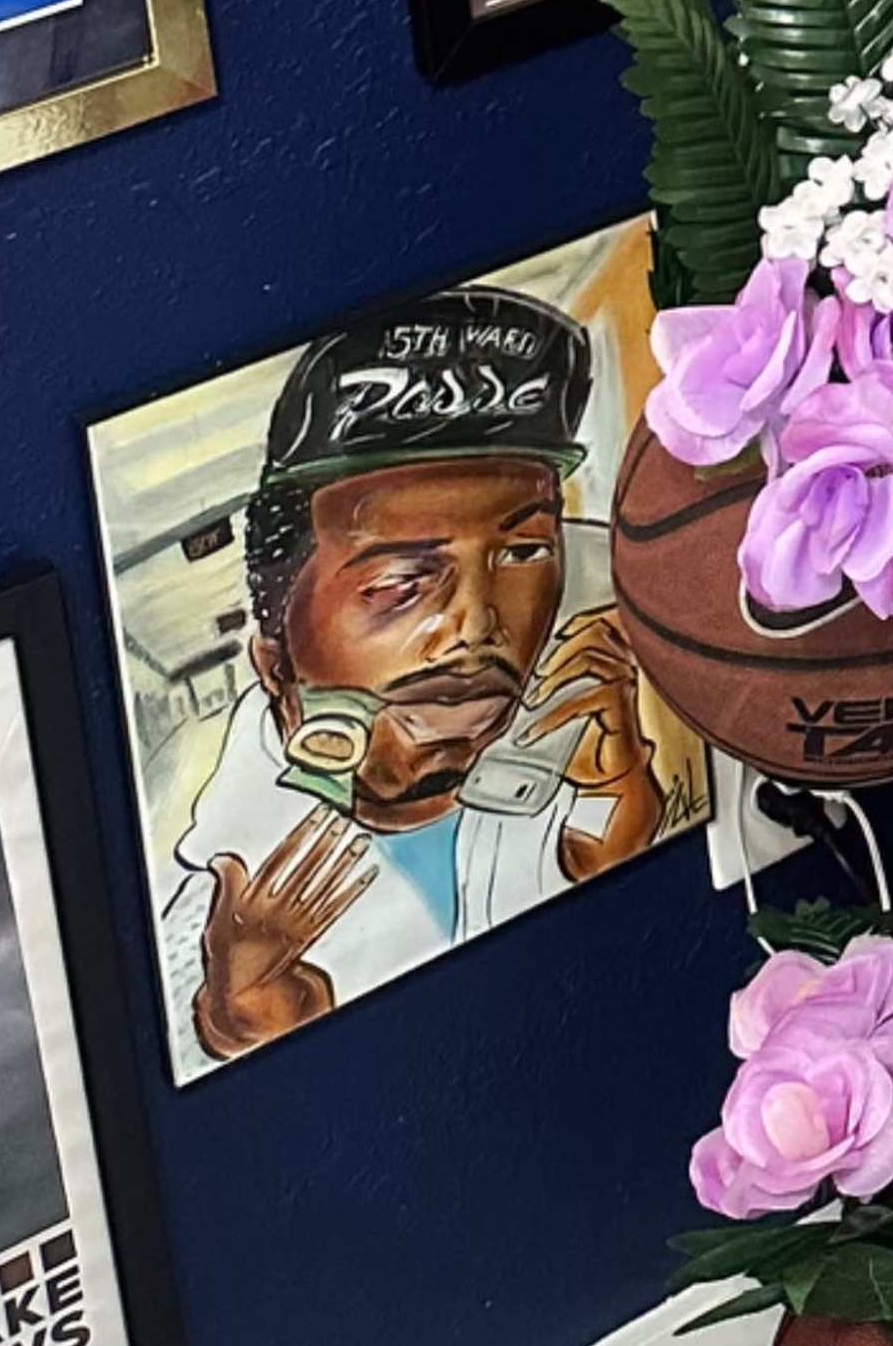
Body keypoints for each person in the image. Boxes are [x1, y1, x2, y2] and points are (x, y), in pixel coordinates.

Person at [159, 291, 661, 1066]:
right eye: (399, 583)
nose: (478, 624)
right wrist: (237, 1023)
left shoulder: (561, 752)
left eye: (522, 554)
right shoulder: (214, 903)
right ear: (276, 664)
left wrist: (619, 794)